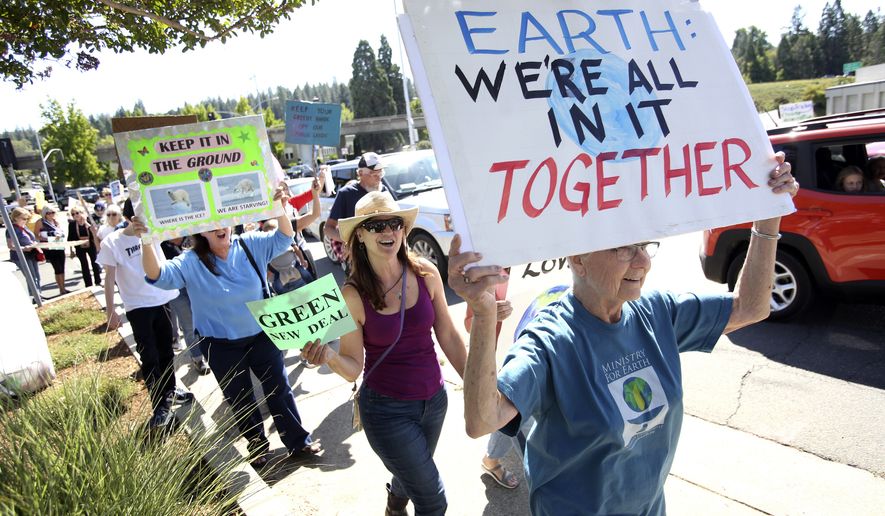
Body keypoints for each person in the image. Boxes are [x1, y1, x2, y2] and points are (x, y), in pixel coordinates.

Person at [449, 155, 798, 515]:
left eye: (645, 246)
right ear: (578, 259)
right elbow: (482, 421)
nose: (643, 261)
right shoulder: (551, 340)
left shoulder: (656, 312)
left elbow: (751, 307)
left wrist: (768, 216)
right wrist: (483, 312)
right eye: (624, 248)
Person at [301, 191, 467, 516]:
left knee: (413, 471)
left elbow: (447, 333)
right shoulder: (352, 295)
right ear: (359, 235)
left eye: (393, 223)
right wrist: (329, 356)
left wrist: (476, 386)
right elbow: (352, 368)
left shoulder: (427, 272)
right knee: (433, 500)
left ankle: (393, 505)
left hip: (435, 401)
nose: (387, 231)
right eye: (375, 226)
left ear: (403, 230)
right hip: (386, 411)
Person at [140, 184, 321, 466]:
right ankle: (257, 445)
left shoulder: (250, 244)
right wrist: (146, 240)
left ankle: (298, 442)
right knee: (240, 398)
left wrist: (279, 208)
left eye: (222, 221)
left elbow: (284, 237)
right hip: (220, 345)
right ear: (200, 231)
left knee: (279, 389)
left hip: (263, 336)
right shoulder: (189, 262)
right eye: (211, 225)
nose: (219, 228)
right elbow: (157, 276)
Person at [97, 200, 192, 430]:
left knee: (167, 352)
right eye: (140, 215)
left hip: (162, 301)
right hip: (138, 308)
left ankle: (170, 391)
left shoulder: (154, 232)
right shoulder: (113, 242)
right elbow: (109, 278)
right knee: (150, 358)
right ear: (130, 217)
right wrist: (111, 310)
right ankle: (159, 406)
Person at [323, 152, 388, 267]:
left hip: (383, 255)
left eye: (381, 172)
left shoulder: (383, 190)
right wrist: (349, 241)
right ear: (361, 173)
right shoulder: (346, 194)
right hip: (358, 260)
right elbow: (328, 228)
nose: (379, 177)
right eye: (373, 173)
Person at [160, 237, 211, 376]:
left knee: (206, 320)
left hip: (196, 284)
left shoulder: (193, 237)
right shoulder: (161, 244)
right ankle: (198, 359)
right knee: (189, 325)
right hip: (177, 290)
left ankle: (211, 352)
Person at [6, 207, 41, 300]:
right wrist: (24, 248)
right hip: (21, 256)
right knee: (31, 277)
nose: (25, 221)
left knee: (37, 275)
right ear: (16, 217)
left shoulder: (24, 227)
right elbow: (11, 246)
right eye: (23, 218)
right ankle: (35, 297)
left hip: (32, 254)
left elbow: (32, 239)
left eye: (27, 219)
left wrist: (34, 244)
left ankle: (38, 295)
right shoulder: (11, 229)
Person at [34, 206, 68, 295]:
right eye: (49, 213)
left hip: (59, 245)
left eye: (53, 212)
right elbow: (36, 234)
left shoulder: (56, 222)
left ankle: (64, 287)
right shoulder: (40, 222)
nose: (51, 215)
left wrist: (60, 236)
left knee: (62, 267)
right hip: (49, 247)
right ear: (45, 214)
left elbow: (61, 232)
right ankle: (61, 289)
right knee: (57, 268)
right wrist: (46, 239)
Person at [67, 205, 102, 287]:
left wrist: (86, 223)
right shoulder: (72, 224)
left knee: (95, 262)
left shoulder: (89, 220)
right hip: (79, 246)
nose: (75, 215)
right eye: (73, 214)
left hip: (91, 244)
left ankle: (98, 281)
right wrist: (71, 250)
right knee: (84, 264)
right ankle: (88, 283)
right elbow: (70, 237)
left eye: (77, 213)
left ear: (81, 213)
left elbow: (95, 231)